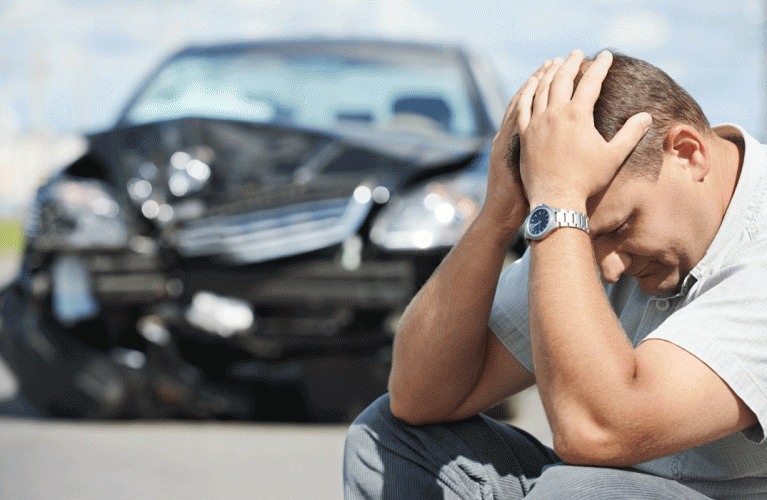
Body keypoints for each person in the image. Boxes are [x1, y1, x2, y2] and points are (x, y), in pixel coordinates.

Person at [343, 49, 767, 499]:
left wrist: (562, 205)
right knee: (389, 439)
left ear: (687, 153)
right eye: (586, 239)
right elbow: (419, 396)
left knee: (578, 491)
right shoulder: (581, 224)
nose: (607, 268)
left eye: (621, 227)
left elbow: (597, 432)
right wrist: (498, 218)